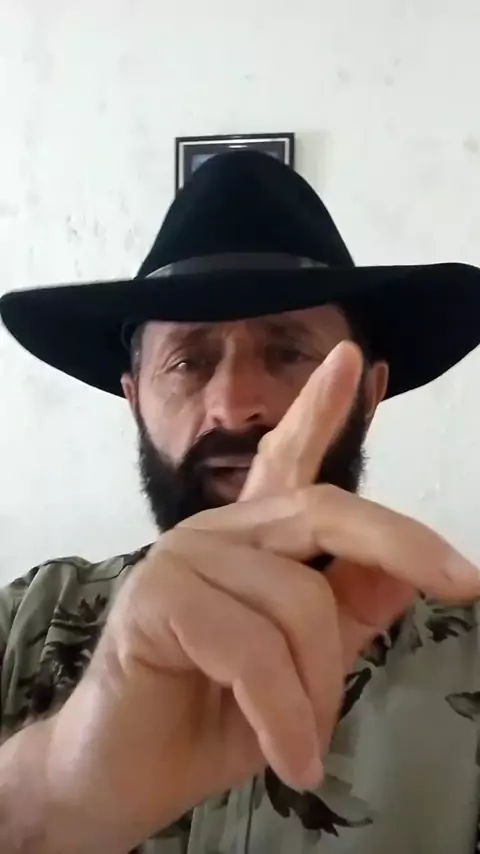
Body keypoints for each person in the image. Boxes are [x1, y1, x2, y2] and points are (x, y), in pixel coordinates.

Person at [1, 151, 480, 854]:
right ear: (135, 399)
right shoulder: (23, 627)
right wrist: (50, 793)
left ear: (370, 393)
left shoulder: (469, 658)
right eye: (188, 362)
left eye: (287, 353)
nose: (232, 406)